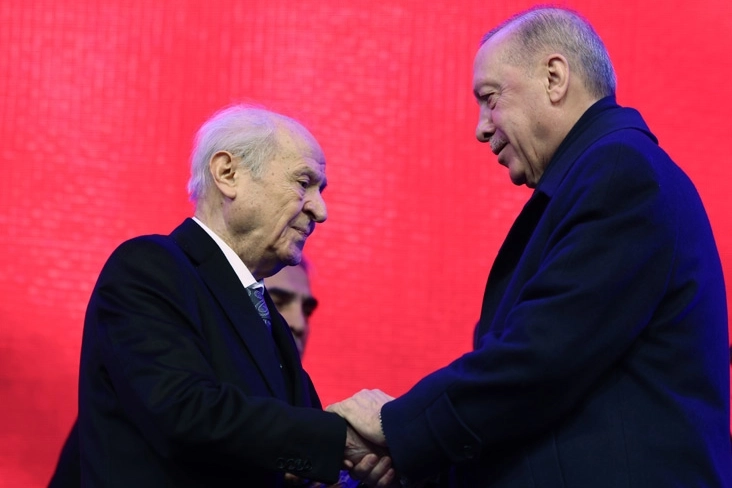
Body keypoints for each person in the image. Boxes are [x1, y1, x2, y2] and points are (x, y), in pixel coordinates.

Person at [328, 6, 731, 487]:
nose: (481, 128)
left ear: (554, 78)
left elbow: (544, 356)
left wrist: (399, 426)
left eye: (490, 98)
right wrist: (416, 460)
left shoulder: (621, 172)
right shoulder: (608, 174)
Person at [72, 105, 395, 487]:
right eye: (303, 182)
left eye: (319, 190)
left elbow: (285, 459)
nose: (320, 211)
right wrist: (341, 441)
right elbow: (185, 412)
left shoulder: (267, 319)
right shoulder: (149, 268)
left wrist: (353, 473)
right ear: (228, 173)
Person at [48, 260, 325, 487]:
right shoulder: (166, 389)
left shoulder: (297, 401)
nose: (299, 323)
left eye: (307, 310)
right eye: (277, 302)